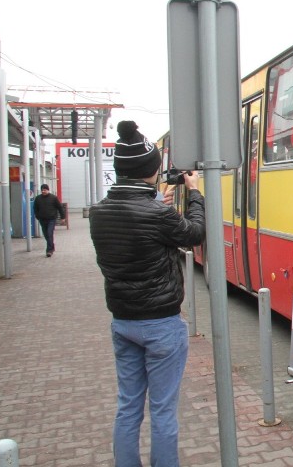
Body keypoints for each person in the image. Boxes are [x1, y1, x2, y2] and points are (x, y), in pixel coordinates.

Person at [89, 120, 205, 467]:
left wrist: (158, 202)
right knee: (163, 410)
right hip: (161, 325)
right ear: (153, 169)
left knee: (128, 406)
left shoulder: (98, 213)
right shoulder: (158, 214)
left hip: (122, 321)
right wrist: (195, 192)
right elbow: (194, 233)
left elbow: (137, 224)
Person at [33, 183, 66, 257]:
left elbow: (60, 208)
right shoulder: (38, 198)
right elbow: (35, 208)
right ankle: (52, 246)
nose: (43, 191)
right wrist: (37, 216)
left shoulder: (53, 198)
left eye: (45, 190)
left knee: (49, 233)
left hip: (51, 219)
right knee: (46, 235)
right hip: (42, 219)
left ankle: (49, 251)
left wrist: (63, 217)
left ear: (48, 190)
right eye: (42, 190)